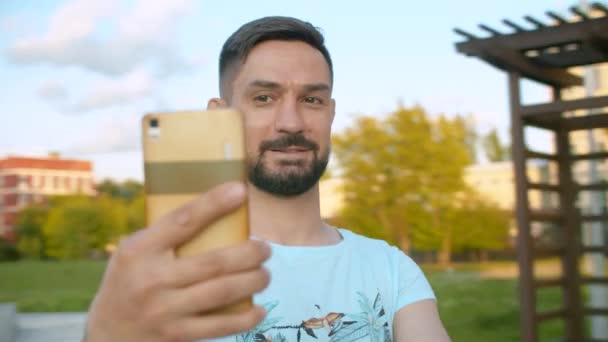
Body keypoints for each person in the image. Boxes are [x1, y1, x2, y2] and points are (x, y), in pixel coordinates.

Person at [84, 16, 450, 342]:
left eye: (312, 100)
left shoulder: (389, 269)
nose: (291, 122)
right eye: (264, 97)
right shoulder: (174, 274)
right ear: (220, 116)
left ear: (331, 114)